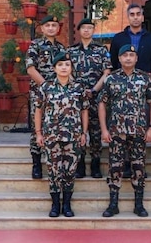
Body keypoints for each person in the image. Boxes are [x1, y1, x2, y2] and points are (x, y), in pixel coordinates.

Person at [98, 44, 151, 218]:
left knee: (138, 167)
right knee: (115, 167)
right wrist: (103, 129)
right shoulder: (111, 79)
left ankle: (139, 204)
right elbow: (102, 103)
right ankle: (113, 204)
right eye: (125, 55)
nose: (128, 58)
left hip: (138, 131)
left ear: (136, 58)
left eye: (132, 55)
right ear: (119, 58)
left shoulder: (145, 78)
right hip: (116, 131)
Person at [109, 3, 151, 178]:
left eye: (139, 14)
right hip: (121, 89)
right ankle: (123, 163)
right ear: (128, 17)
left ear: (142, 16)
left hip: (143, 88)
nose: (136, 17)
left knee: (140, 129)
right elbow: (114, 64)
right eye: (132, 14)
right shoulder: (118, 38)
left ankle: (138, 165)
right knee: (121, 130)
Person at [34, 51, 88, 218]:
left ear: (71, 68)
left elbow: (84, 111)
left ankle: (67, 205)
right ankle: (55, 205)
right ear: (54, 68)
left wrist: (84, 133)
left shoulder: (79, 87)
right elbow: (38, 110)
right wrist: (38, 133)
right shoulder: (46, 87)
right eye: (60, 65)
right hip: (52, 136)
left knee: (70, 171)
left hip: (73, 136)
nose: (64, 68)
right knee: (54, 171)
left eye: (67, 65)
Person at [68, 18, 113, 179]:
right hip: (76, 97)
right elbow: (67, 72)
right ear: (79, 31)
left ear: (93, 31)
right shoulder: (71, 51)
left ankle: (95, 163)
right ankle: (79, 163)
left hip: (96, 96)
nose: (87, 30)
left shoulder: (101, 50)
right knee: (78, 129)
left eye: (90, 28)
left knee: (95, 131)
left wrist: (94, 90)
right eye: (84, 28)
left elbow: (106, 72)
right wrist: (79, 89)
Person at [26, 15, 66, 179]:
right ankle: (36, 163)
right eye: (47, 25)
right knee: (38, 128)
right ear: (42, 28)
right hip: (39, 93)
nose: (51, 28)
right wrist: (46, 86)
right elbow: (30, 69)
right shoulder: (35, 45)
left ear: (58, 29)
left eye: (54, 25)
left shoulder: (62, 49)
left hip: (59, 95)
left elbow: (67, 70)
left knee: (58, 126)